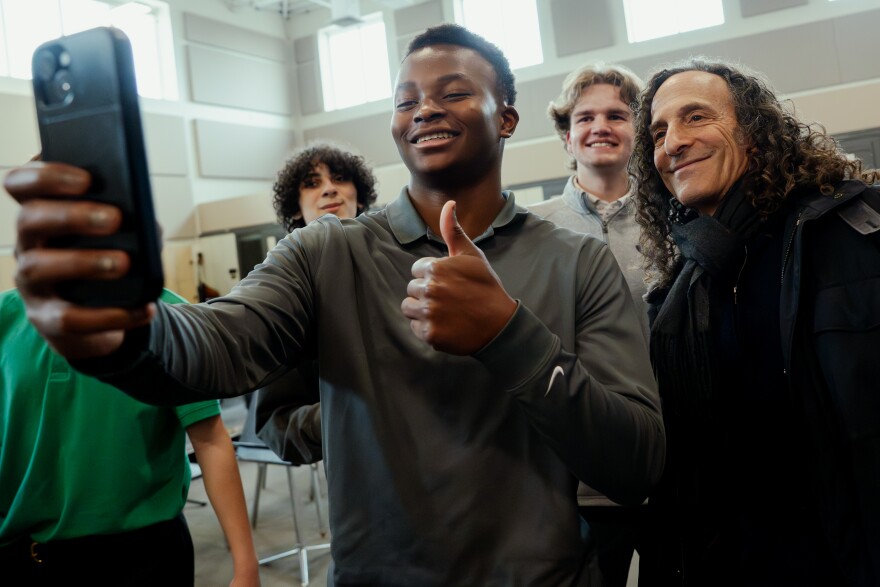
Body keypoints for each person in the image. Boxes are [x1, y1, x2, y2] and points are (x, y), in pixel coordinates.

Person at [5, 24, 665, 586]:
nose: (425, 109)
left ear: (507, 118)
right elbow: (216, 345)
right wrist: (122, 324)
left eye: (454, 92)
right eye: (407, 99)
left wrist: (510, 336)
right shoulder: (326, 253)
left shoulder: (577, 261)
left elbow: (634, 460)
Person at [630, 57, 880, 586]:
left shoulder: (852, 233)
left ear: (756, 133)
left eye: (695, 117)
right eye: (658, 131)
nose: (672, 142)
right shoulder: (679, 287)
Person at [0, 287, 260, 587]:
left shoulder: (168, 313)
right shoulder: (8, 316)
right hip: (34, 557)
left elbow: (210, 440)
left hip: (149, 559)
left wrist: (246, 565)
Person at [529, 63, 648, 587]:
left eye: (617, 115)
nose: (601, 125)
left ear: (638, 131)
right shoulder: (531, 230)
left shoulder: (676, 218)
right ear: (567, 135)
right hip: (572, 471)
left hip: (668, 455)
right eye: (585, 117)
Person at [257, 142, 378, 463]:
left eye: (339, 179)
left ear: (359, 195)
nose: (329, 189)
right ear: (295, 207)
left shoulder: (403, 262)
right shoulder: (286, 292)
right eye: (312, 183)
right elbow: (275, 423)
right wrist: (349, 415)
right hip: (360, 472)